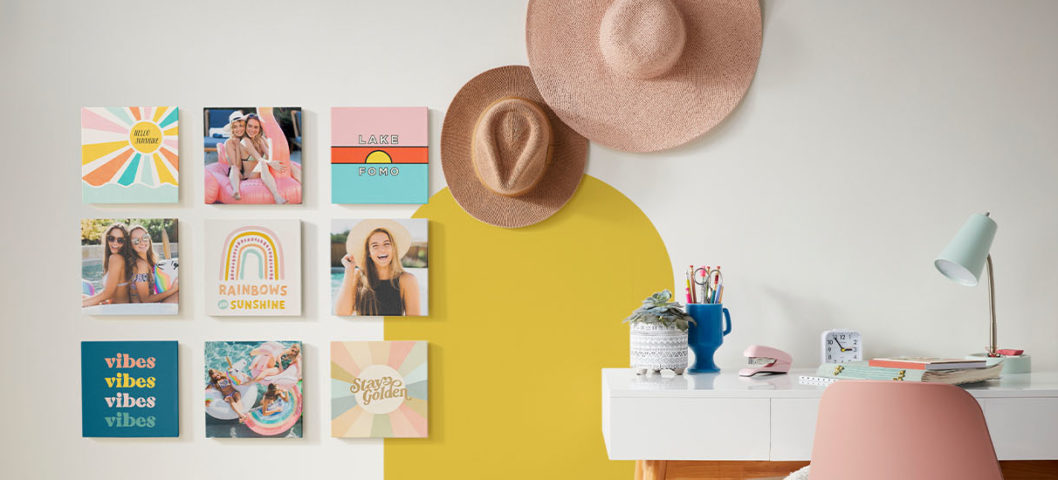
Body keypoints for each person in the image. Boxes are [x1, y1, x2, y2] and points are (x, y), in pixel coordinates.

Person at [335, 221, 420, 316]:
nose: (382, 249)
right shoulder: (357, 276)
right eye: (375, 246)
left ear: (393, 249)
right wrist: (349, 271)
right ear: (369, 253)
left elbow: (414, 322)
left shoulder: (407, 280)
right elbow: (342, 313)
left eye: (387, 244)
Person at [241, 113, 288, 204]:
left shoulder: (260, 139)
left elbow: (270, 154)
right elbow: (259, 158)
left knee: (289, 163)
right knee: (262, 163)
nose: (252, 130)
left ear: (259, 129)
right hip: (250, 176)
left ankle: (305, 187)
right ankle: (276, 196)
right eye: (250, 126)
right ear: (245, 126)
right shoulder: (245, 141)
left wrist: (277, 162)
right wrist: (271, 163)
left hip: (262, 173)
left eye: (256, 127)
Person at [127, 225, 179, 304]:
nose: (142, 242)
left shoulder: (150, 261)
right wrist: (173, 289)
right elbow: (145, 300)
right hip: (142, 309)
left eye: (145, 237)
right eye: (136, 240)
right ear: (131, 245)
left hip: (151, 305)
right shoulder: (141, 265)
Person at [82, 223, 131, 307]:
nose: (115, 243)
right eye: (111, 238)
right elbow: (112, 294)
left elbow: (107, 294)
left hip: (117, 310)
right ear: (107, 239)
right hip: (115, 306)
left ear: (125, 242)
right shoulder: (122, 259)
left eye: (120, 240)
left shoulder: (116, 258)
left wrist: (81, 303)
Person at [221, 111, 247, 200]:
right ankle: (236, 190)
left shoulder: (248, 139)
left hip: (249, 169)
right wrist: (237, 146)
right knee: (234, 168)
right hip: (237, 171)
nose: (238, 129)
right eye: (235, 127)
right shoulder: (229, 143)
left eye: (241, 126)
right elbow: (237, 166)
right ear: (232, 129)